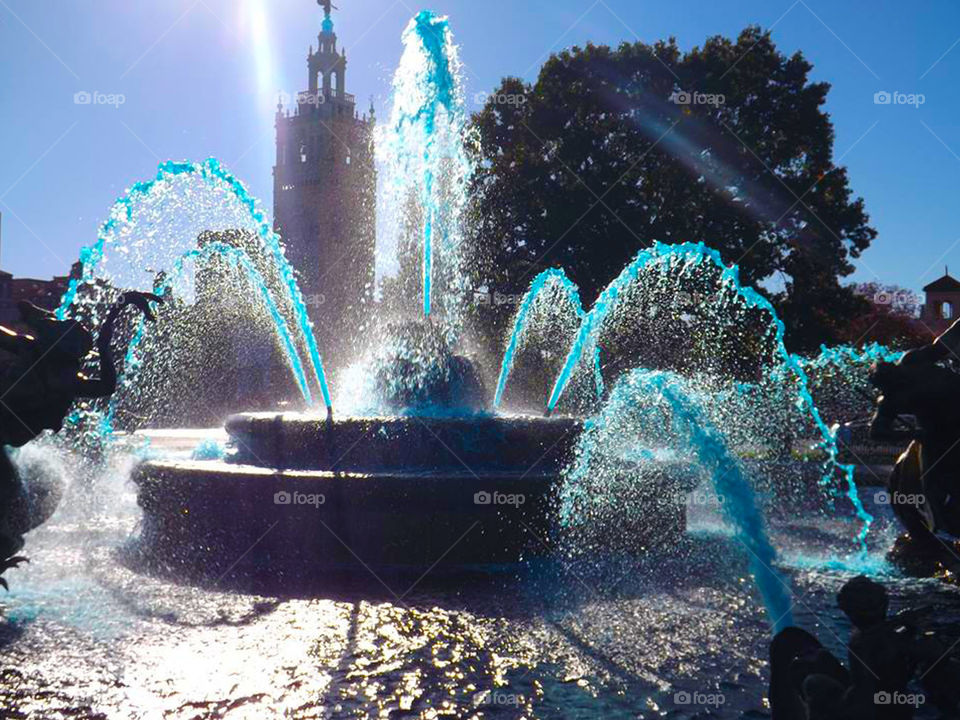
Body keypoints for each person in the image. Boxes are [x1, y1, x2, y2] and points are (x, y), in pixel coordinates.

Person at [0, 291, 162, 588]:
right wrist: (111, 325)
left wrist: (116, 315)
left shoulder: (64, 376)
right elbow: (107, 384)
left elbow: (108, 386)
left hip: (7, 441)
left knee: (14, 507)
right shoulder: (41, 359)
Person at [770, 576, 960, 719]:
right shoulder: (882, 639)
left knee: (814, 681)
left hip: (872, 704)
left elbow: (881, 634)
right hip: (883, 706)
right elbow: (933, 652)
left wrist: (902, 625)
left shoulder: (864, 636)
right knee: (815, 675)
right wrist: (916, 632)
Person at [869, 318, 960, 541]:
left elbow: (942, 345)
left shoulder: (913, 361)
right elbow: (877, 432)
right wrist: (913, 434)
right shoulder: (890, 400)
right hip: (935, 438)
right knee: (921, 489)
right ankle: (935, 537)